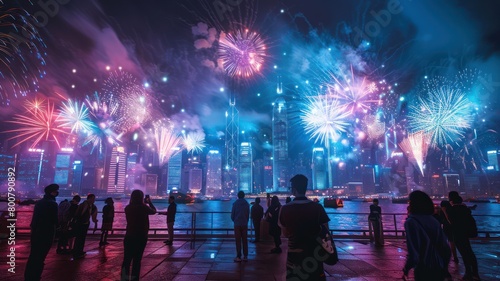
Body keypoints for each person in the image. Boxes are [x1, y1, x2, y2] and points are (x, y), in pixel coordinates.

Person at [279, 174, 331, 281]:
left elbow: (285, 234)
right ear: (305, 189)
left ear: (293, 190)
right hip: (314, 257)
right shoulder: (317, 208)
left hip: (294, 258)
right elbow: (325, 231)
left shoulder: (285, 209)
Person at [403, 190, 451, 281]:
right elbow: (446, 248)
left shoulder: (411, 222)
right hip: (439, 266)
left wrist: (406, 268)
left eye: (410, 202)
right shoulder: (434, 220)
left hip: (423, 267)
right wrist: (444, 267)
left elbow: (414, 252)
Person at [24, 184, 59, 281]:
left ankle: (28, 276)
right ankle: (36, 276)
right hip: (46, 233)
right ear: (52, 192)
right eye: (56, 191)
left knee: (33, 255)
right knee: (41, 257)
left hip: (36, 232)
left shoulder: (39, 203)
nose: (57, 193)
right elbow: (55, 220)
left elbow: (35, 219)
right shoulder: (53, 204)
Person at [121, 190, 156, 281]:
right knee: (137, 260)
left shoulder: (127, 208)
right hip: (141, 236)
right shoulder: (143, 207)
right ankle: (135, 279)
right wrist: (149, 202)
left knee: (126, 260)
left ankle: (124, 278)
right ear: (141, 197)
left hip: (129, 235)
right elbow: (154, 211)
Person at [447, 191, 480, 281]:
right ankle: (475, 273)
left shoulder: (452, 209)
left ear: (451, 199)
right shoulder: (465, 208)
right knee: (470, 252)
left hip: (457, 233)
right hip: (465, 233)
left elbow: (450, 221)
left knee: (464, 254)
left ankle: (468, 273)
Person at [72, 193, 98, 259]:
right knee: (79, 238)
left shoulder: (91, 206)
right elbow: (78, 214)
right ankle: (77, 252)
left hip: (85, 223)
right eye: (93, 199)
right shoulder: (84, 205)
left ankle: (79, 251)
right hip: (81, 223)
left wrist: (95, 222)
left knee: (82, 238)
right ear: (89, 198)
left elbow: (93, 214)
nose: (94, 200)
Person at [231, 190, 250, 262]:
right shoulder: (246, 203)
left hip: (237, 224)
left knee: (238, 240)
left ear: (238, 196)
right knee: (245, 240)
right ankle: (245, 256)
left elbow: (232, 215)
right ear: (244, 196)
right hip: (244, 224)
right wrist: (245, 221)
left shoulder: (235, 203)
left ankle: (238, 256)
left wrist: (235, 220)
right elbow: (248, 214)